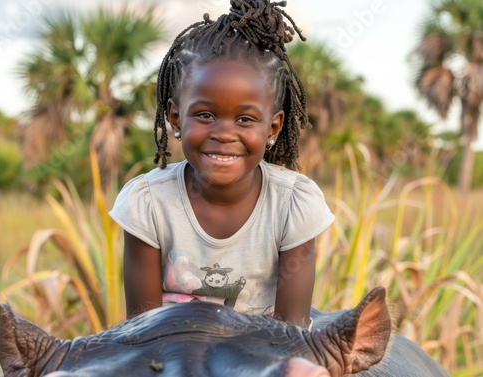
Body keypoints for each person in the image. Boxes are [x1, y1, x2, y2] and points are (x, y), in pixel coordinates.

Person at [109, 0, 334, 328]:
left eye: (245, 119)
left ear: (272, 128)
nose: (224, 134)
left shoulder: (292, 204)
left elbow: (291, 336)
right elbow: (144, 334)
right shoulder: (148, 204)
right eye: (205, 115)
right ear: (175, 118)